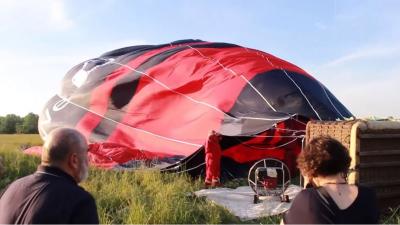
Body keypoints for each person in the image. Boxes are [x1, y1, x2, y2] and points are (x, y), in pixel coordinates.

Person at [0, 128, 99, 224]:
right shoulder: (81, 202)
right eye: (86, 153)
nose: (88, 160)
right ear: (74, 160)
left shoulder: (12, 187)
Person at [282, 136, 379, 224]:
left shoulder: (307, 198)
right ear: (344, 162)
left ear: (307, 168)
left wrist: (307, 185)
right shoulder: (368, 195)